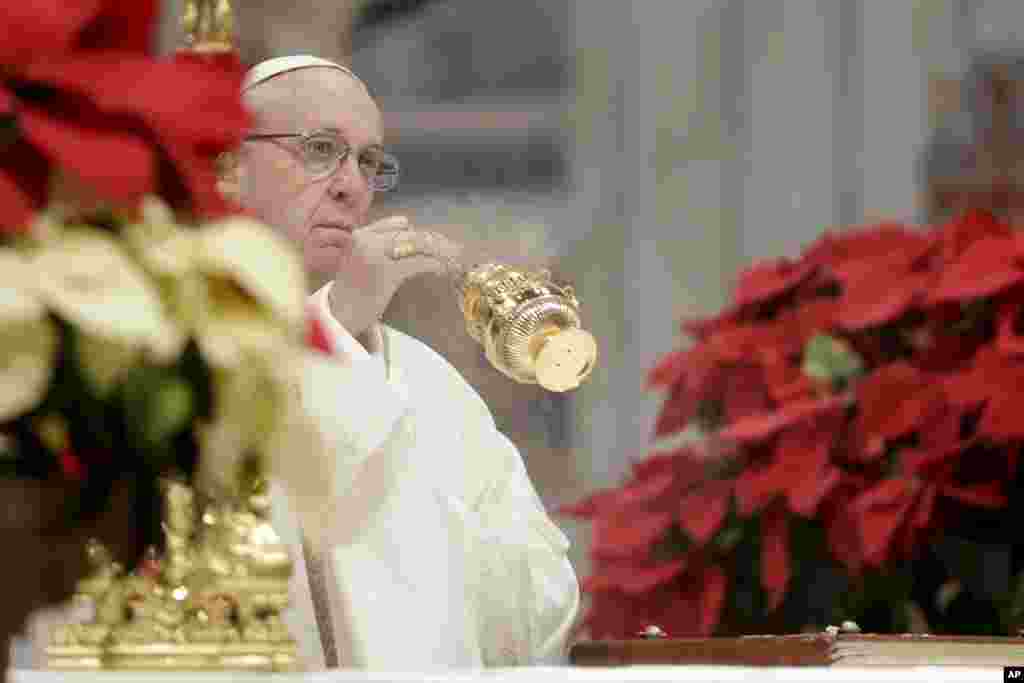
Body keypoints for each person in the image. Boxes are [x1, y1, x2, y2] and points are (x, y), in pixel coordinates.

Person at [226, 55, 580, 670]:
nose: (350, 184)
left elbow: (543, 616)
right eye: (318, 149)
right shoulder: (192, 349)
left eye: (368, 161)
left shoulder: (429, 382)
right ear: (229, 167)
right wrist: (339, 325)